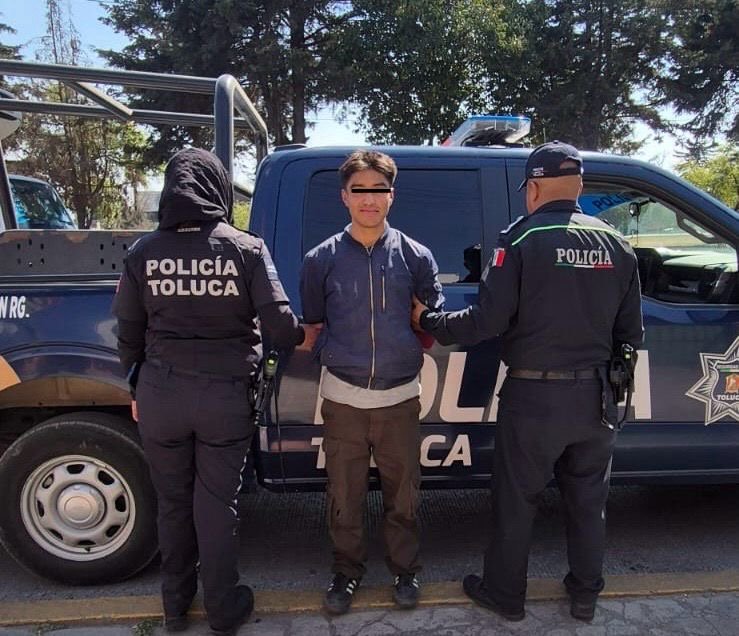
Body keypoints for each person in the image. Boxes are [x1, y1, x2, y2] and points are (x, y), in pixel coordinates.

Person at [413, 141, 643, 622]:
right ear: (579, 186)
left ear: (534, 189)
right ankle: (585, 595)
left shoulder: (520, 240)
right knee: (589, 502)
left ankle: (505, 595)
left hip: (534, 398)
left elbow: (486, 321)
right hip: (597, 398)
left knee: (517, 500)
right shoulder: (617, 244)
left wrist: (431, 321)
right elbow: (631, 334)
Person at [113, 148, 310, 635]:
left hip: (160, 395)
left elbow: (128, 334)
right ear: (217, 188)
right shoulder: (246, 249)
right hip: (225, 397)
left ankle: (175, 608)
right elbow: (281, 327)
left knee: (173, 503)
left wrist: (137, 385)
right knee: (216, 504)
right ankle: (223, 608)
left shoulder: (142, 253)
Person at [300, 150, 444, 614]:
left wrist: (412, 338)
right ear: (344, 196)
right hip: (342, 400)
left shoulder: (417, 257)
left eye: (378, 190)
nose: (369, 199)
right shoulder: (320, 260)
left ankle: (406, 569)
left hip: (400, 399)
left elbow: (431, 322)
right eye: (359, 190)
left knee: (404, 495)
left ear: (391, 195)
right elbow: (313, 326)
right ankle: (346, 572)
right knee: (345, 496)